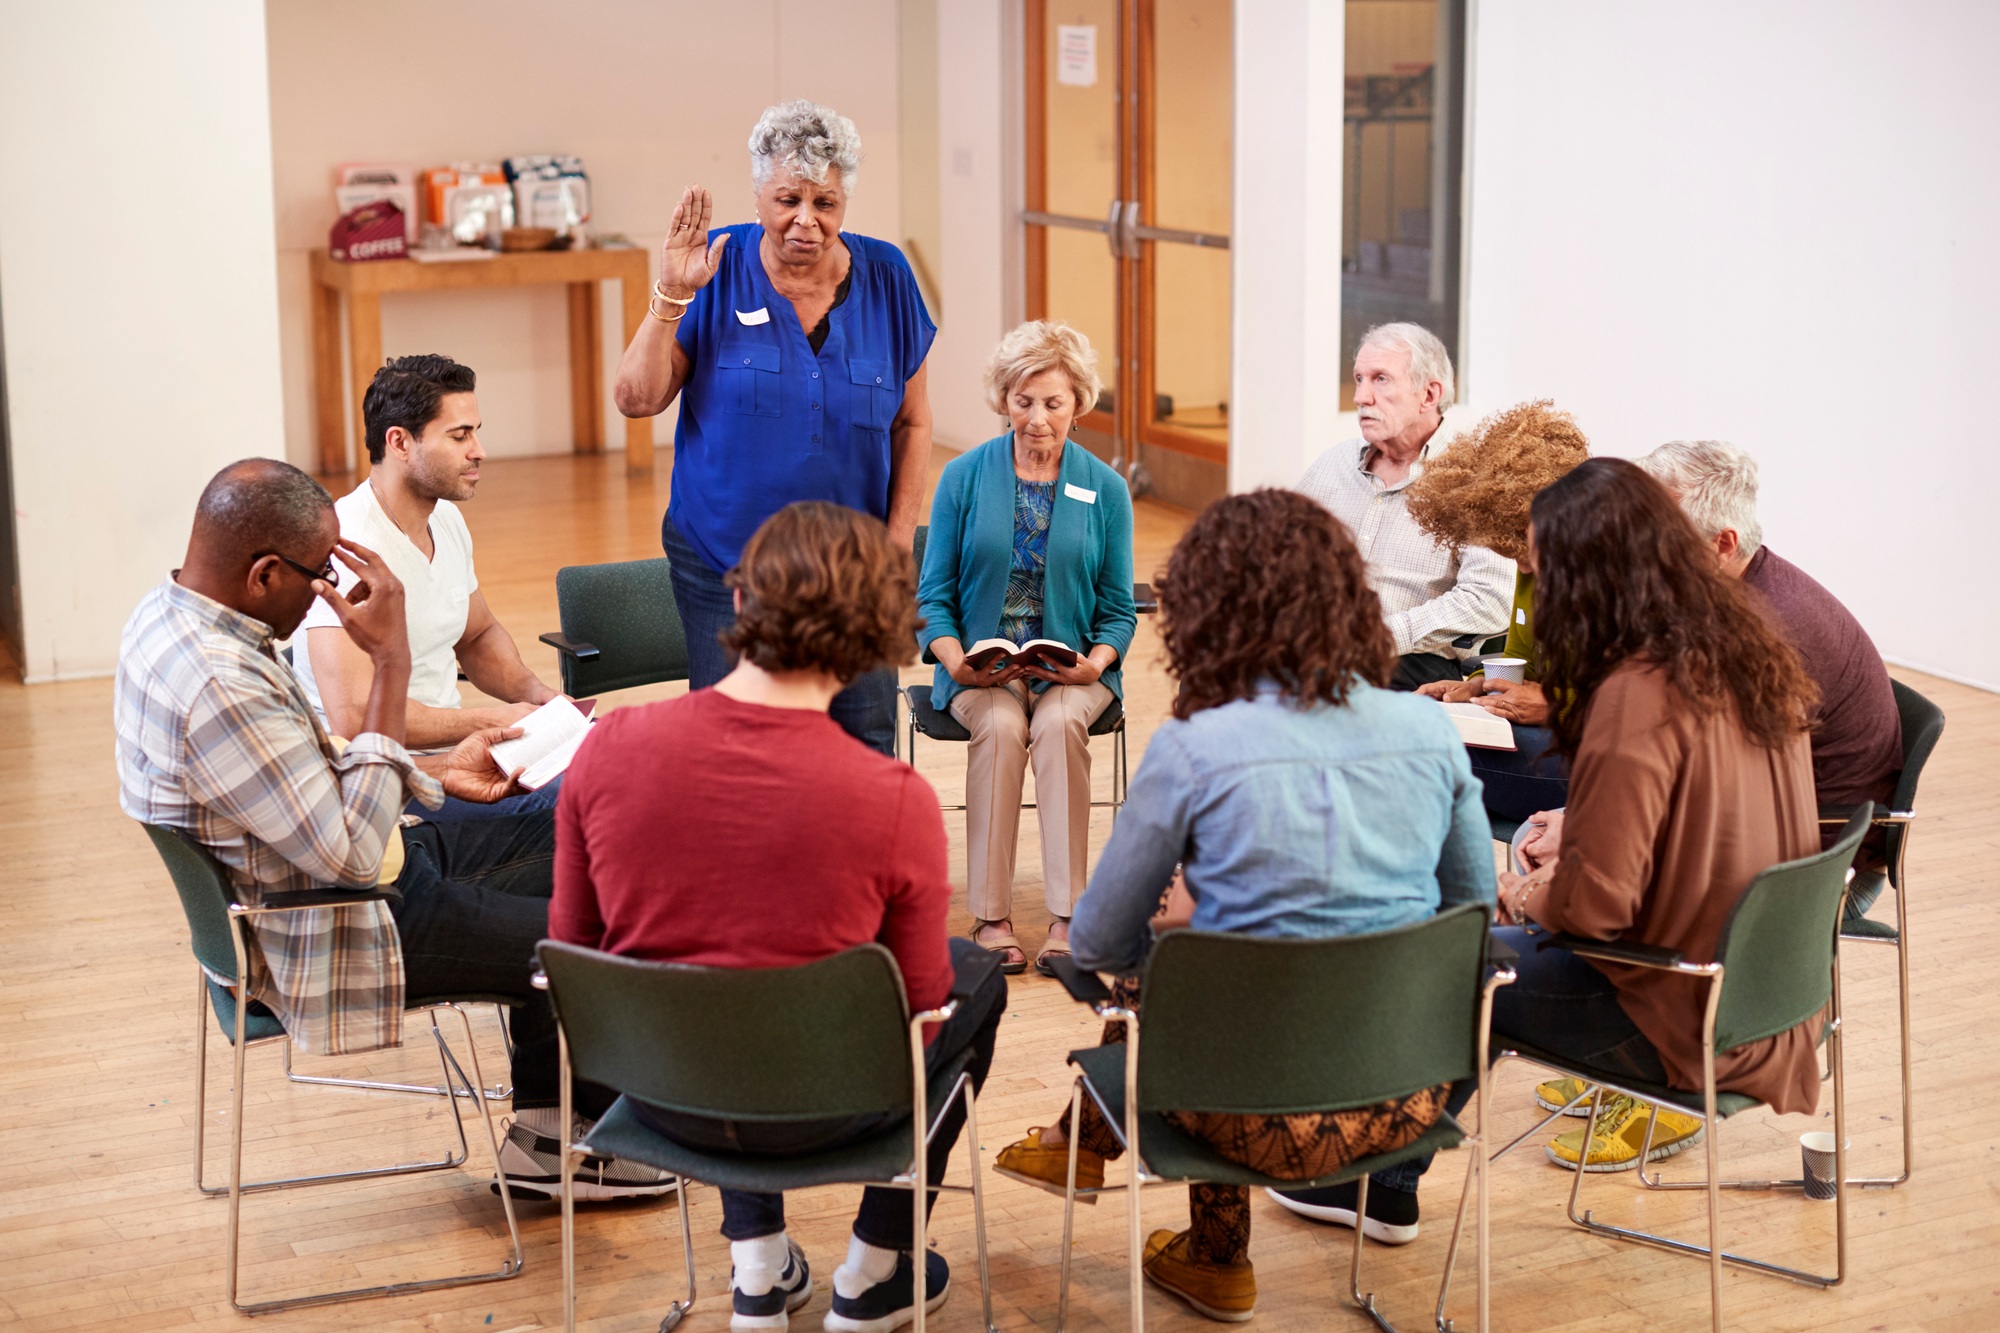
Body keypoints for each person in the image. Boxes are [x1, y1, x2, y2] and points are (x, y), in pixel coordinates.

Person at [990, 490, 1494, 1323]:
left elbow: (1105, 942)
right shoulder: (1431, 731)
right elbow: (1472, 913)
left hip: (1240, 1110)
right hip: (1404, 1099)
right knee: (1208, 969)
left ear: (1208, 614)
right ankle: (1128, 1185)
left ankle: (1195, 1236)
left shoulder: (1198, 748)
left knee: (1174, 977)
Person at [116, 459, 672, 1202]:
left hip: (361, 862)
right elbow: (345, 855)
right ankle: (570, 1146)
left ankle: (554, 1129)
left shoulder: (168, 614)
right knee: (591, 938)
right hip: (341, 920)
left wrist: (438, 768)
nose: (330, 595)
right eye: (318, 575)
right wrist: (390, 661)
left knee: (582, 818)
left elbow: (305, 778)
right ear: (263, 574)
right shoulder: (219, 684)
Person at [552, 502, 1008, 1333]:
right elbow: (920, 1008)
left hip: (658, 1089)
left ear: (735, 604)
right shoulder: (895, 798)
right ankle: (875, 1268)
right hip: (835, 1101)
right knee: (975, 983)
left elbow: (572, 950)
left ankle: (757, 1270)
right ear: (874, 641)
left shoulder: (608, 748)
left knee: (720, 973)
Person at [1489, 459, 1822, 1173]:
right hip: (1772, 997)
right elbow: (1694, 819)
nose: (1539, 593)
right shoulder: (1748, 648)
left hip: (1677, 1011)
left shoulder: (1635, 690)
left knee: (1452, 970)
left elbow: (1596, 908)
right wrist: (1583, 833)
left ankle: (1380, 1183)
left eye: (1545, 575)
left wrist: (1521, 893)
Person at [614, 99, 936, 756]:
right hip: (726, 565)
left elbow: (913, 421)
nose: (806, 220)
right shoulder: (716, 265)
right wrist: (672, 294)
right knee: (735, 748)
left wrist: (898, 544)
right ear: (759, 192)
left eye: (826, 203)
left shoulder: (888, 277)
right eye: (788, 198)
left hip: (854, 570)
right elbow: (636, 398)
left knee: (864, 742)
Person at [916, 321, 1137, 976]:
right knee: (1003, 722)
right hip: (979, 666)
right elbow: (933, 596)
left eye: (1053, 402)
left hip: (1071, 667)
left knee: (1064, 719)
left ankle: (1070, 914)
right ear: (1003, 399)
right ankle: (992, 916)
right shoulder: (962, 478)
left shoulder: (1107, 488)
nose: (1037, 419)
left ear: (1078, 403)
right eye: (1022, 400)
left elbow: (1119, 611)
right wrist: (956, 662)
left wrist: (1093, 664)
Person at [1638, 439, 1903, 919]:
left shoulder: (1765, 632)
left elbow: (1718, 785)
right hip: (1777, 834)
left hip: (1811, 874)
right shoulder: (1744, 586)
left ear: (1723, 544)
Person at [293, 354, 564, 820]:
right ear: (398, 442)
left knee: (606, 773)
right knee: (576, 810)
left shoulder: (446, 518)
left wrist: (538, 697)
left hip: (457, 756)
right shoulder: (345, 546)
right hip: (381, 784)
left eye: (476, 432)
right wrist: (488, 721)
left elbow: (476, 636)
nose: (479, 450)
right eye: (460, 436)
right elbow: (355, 720)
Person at [1296, 323, 1513, 690]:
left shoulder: (1477, 478)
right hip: (1318, 644)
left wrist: (1382, 634)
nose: (1361, 396)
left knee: (1314, 686)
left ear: (1429, 395)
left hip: (1409, 661)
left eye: (1380, 379)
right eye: (1359, 378)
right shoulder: (1333, 466)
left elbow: (1488, 599)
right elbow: (1276, 552)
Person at [1403, 400, 1590, 824]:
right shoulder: (1530, 573)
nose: (1520, 566)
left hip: (1591, 760)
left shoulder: (1610, 584)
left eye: (1522, 548)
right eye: (1503, 551)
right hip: (1533, 739)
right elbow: (1523, 667)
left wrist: (1554, 705)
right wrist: (1471, 687)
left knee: (1410, 757)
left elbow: (1641, 712)